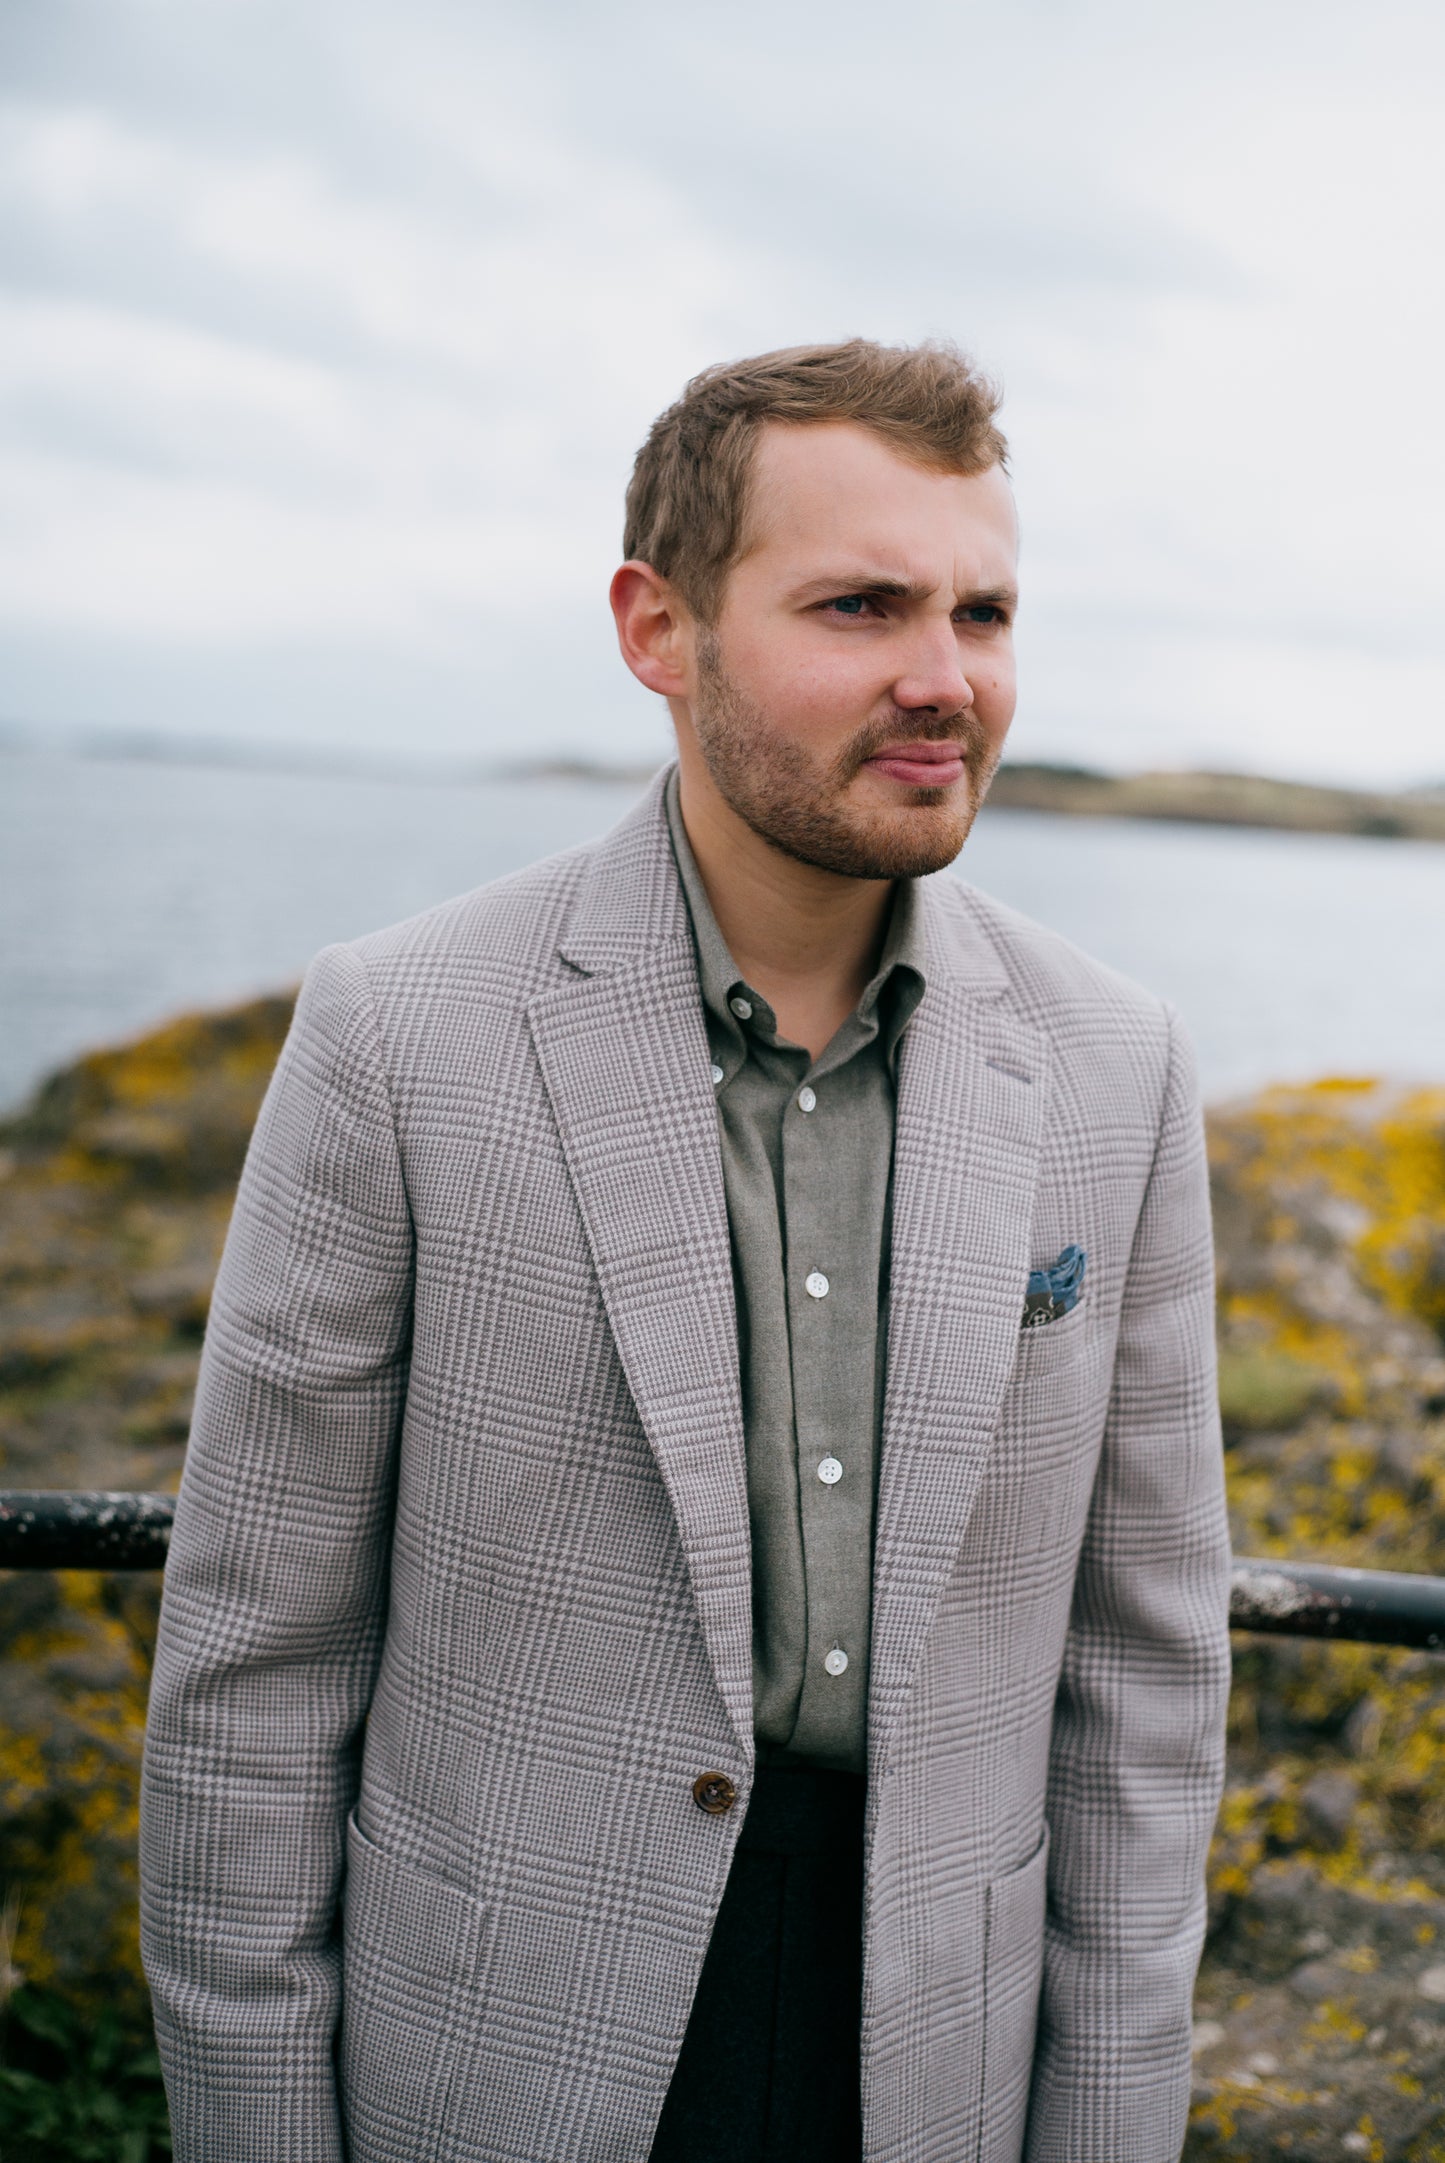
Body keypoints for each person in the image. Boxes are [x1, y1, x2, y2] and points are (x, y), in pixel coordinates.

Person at [140, 339, 1231, 2163]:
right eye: (860, 605)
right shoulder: (400, 1034)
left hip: (937, 2051)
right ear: (659, 628)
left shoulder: (1116, 1066)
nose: (943, 677)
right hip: (497, 2046)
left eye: (980, 612)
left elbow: (1146, 1676)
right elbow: (254, 1671)